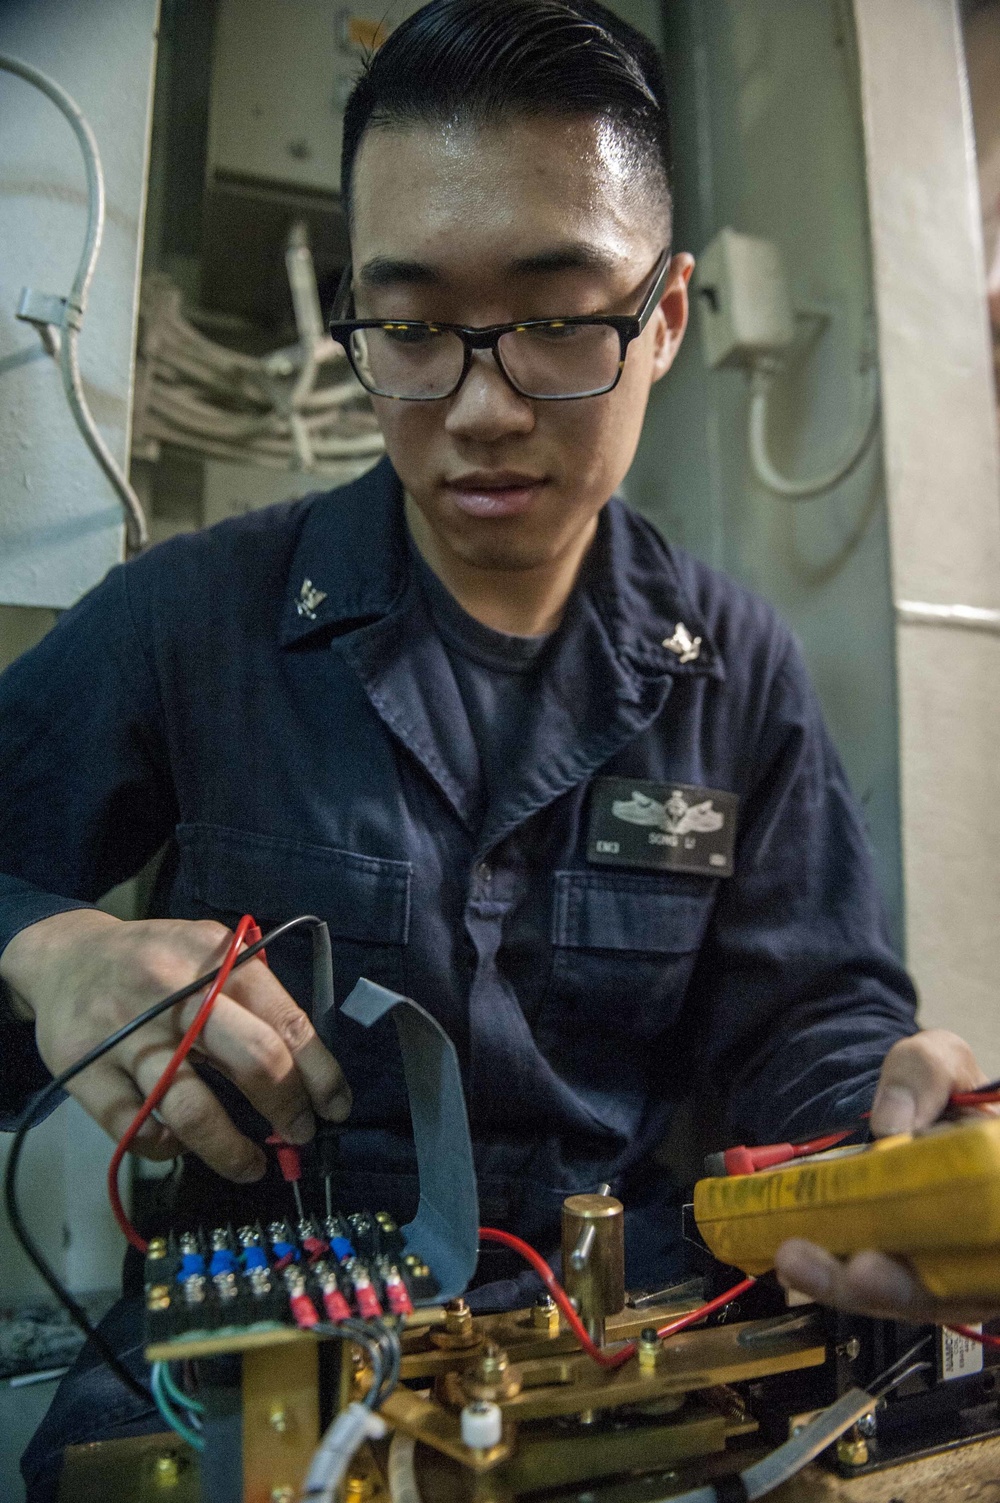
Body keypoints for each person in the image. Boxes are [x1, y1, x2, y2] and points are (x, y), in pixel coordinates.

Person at [0, 1, 994, 1494]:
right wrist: (44, 950)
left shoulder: (738, 671)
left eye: (556, 322)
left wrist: (888, 1130)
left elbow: (809, 1024)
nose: (479, 408)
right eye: (410, 328)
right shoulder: (186, 621)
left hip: (624, 1339)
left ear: (664, 315)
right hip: (257, 1345)